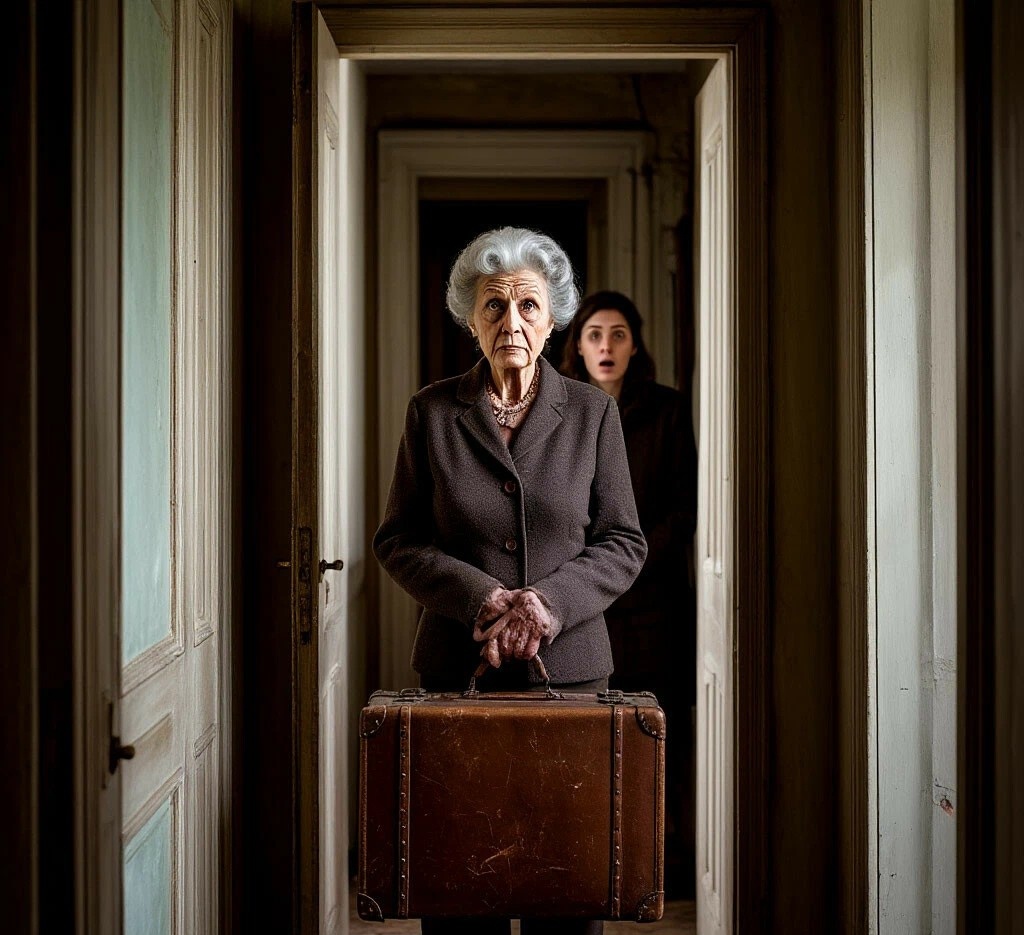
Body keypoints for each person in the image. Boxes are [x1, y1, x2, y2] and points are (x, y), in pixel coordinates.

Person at [372, 227, 648, 935]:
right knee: (462, 889)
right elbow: (397, 540)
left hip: (573, 678)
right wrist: (484, 599)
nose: (512, 322)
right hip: (456, 677)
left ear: (553, 319)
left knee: (567, 888)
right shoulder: (432, 412)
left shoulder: (592, 413)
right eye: (494, 306)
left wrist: (547, 604)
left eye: (528, 305)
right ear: (472, 320)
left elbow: (624, 541)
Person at [560, 290, 698, 900]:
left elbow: (683, 508)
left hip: (653, 601)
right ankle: (591, 862)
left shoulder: (667, 410)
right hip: (579, 601)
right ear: (578, 344)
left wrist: (626, 564)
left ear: (635, 344)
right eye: (594, 334)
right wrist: (585, 577)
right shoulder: (564, 408)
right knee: (587, 736)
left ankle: (661, 867)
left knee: (656, 733)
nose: (606, 346)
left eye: (618, 334)